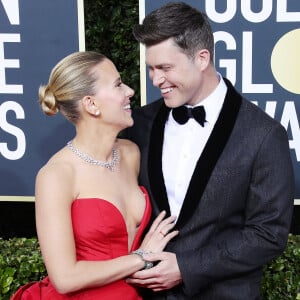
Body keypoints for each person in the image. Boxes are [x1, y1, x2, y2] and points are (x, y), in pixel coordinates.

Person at [123, 2, 295, 299]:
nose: (155, 80)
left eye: (165, 68)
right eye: (151, 68)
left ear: (202, 58)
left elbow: (269, 233)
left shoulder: (264, 135)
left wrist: (186, 267)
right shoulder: (140, 124)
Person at [11, 51, 179, 300]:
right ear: (91, 104)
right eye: (118, 84)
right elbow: (65, 279)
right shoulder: (56, 175)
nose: (130, 91)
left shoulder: (130, 154)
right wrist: (140, 257)